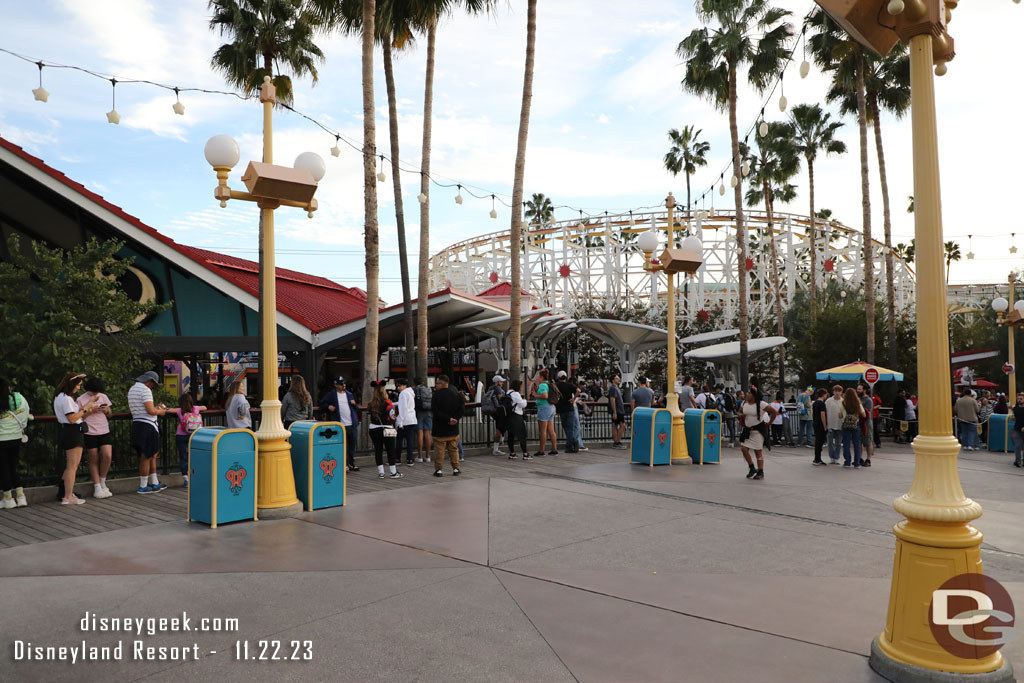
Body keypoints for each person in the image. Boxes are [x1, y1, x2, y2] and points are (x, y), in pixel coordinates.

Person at [55, 373, 101, 505]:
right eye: (78, 385)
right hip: (73, 431)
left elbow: (74, 413)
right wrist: (87, 408)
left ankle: (65, 493)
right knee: (72, 466)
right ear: (72, 385)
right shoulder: (66, 399)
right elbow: (73, 418)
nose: (79, 388)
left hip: (68, 431)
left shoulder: (60, 397)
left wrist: (88, 404)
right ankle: (68, 496)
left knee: (70, 466)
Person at [128, 370, 170, 495]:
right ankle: (143, 486)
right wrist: (161, 411)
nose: (153, 386)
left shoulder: (132, 389)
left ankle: (154, 482)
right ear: (149, 381)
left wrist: (156, 408)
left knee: (151, 455)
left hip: (137, 424)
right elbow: (151, 411)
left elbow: (143, 409)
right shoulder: (145, 390)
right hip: (148, 426)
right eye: (153, 384)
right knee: (146, 456)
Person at [78, 377, 114, 498]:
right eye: (94, 392)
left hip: (104, 429)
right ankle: (97, 486)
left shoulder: (103, 396)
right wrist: (91, 410)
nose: (96, 394)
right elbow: (79, 417)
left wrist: (106, 410)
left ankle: (103, 481)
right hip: (89, 431)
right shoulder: (81, 399)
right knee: (93, 459)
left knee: (107, 456)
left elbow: (110, 414)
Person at [0, 378, 32, 509]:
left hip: (1, 440)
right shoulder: (20, 398)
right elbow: (26, 414)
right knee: (13, 467)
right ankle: (21, 497)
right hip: (16, 438)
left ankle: (8, 499)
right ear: (9, 388)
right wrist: (20, 429)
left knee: (4, 469)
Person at [319, 376, 360, 472]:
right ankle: (344, 464)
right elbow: (322, 403)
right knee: (343, 446)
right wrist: (329, 406)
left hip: (351, 424)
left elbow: (356, 408)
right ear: (336, 385)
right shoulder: (332, 395)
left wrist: (354, 404)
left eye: (344, 384)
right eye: (341, 384)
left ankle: (351, 463)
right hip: (340, 425)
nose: (343, 386)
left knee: (352, 445)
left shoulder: (349, 394)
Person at [739, 386, 777, 480]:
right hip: (748, 430)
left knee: (758, 451)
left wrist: (769, 423)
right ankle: (752, 467)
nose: (747, 395)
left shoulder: (761, 404)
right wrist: (741, 416)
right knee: (744, 448)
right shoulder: (744, 403)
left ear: (754, 395)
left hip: (758, 431)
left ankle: (760, 471)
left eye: (749, 393)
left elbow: (774, 411)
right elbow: (740, 412)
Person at [368, 382, 403, 479]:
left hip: (374, 429)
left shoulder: (371, 404)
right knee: (390, 450)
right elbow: (392, 417)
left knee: (378, 450)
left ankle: (381, 473)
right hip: (387, 429)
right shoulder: (388, 403)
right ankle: (393, 472)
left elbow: (369, 414)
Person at [171, 392, 207, 489]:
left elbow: (169, 410)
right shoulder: (195, 409)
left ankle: (186, 479)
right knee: (194, 455)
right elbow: (205, 407)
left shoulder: (179, 411)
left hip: (181, 435)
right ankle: (195, 476)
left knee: (183, 457)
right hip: (194, 435)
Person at [430, 374, 464, 476]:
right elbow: (462, 409)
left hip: (440, 428)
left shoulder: (436, 395)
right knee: (454, 449)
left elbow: (435, 411)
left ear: (441, 383)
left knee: (439, 450)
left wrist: (447, 419)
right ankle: (456, 468)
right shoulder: (456, 394)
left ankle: (439, 470)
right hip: (453, 428)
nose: (436, 385)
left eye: (437, 383)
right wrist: (455, 419)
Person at [839, 387, 867, 468]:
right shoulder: (858, 403)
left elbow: (840, 416)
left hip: (846, 424)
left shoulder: (843, 403)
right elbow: (864, 414)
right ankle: (857, 463)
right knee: (857, 444)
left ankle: (847, 462)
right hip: (855, 424)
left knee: (846, 443)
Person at [533, 369, 558, 457]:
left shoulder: (543, 385)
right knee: (551, 430)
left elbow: (545, 396)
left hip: (544, 408)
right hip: (551, 407)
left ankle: (541, 450)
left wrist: (535, 395)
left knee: (542, 431)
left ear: (541, 377)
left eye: (538, 377)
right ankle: (554, 449)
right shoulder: (548, 384)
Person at [555, 371, 579, 453]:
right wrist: (574, 398)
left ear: (558, 377)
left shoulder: (556, 385)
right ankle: (573, 443)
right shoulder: (569, 385)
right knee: (570, 428)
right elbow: (578, 390)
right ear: (565, 377)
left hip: (561, 409)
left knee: (566, 427)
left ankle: (570, 445)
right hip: (570, 408)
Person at [483, 375, 508, 456]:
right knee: (500, 429)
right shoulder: (497, 388)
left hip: (493, 412)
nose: (502, 383)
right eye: (501, 381)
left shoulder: (490, 388)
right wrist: (503, 393)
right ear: (497, 382)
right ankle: (496, 448)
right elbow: (501, 399)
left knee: (499, 428)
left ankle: (497, 446)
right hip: (498, 411)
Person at [395, 378, 417, 466]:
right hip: (412, 419)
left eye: (399, 386)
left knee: (399, 440)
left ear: (404, 386)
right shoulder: (410, 393)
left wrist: (400, 422)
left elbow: (403, 408)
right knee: (410, 440)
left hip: (405, 420)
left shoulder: (403, 393)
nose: (398, 388)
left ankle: (397, 459)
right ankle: (410, 459)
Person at [507, 379, 530, 459]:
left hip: (509, 416)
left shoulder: (508, 393)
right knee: (521, 435)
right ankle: (525, 453)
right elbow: (522, 404)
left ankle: (512, 453)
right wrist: (525, 400)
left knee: (511, 435)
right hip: (517, 416)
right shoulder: (516, 394)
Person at [414, 377, 433, 463]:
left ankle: (420, 456)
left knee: (420, 434)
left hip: (419, 413)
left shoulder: (414, 389)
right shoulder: (428, 389)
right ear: (422, 381)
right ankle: (428, 456)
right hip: (429, 413)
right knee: (428, 434)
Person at [825, 385, 844, 464]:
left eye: (839, 391)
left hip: (839, 424)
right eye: (835, 391)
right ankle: (831, 457)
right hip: (830, 424)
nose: (837, 393)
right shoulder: (828, 401)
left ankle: (836, 457)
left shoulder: (843, 401)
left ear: (841, 392)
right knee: (829, 442)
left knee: (838, 443)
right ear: (833, 392)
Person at [856, 384, 875, 467]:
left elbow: (868, 412)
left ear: (864, 390)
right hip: (858, 422)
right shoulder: (857, 399)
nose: (858, 391)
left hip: (866, 423)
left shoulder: (868, 400)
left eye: (860, 389)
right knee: (859, 441)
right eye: (857, 389)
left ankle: (868, 459)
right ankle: (860, 458)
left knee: (868, 441)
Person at [607, 374, 626, 449]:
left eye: (618, 378)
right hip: (618, 410)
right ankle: (617, 442)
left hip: (618, 409)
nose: (618, 379)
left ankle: (616, 442)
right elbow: (612, 399)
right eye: (616, 378)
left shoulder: (616, 388)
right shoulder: (613, 388)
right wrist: (614, 411)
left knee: (615, 425)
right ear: (613, 380)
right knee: (622, 425)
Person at [812, 388, 828, 466]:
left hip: (815, 423)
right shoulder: (822, 404)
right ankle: (817, 459)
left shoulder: (815, 403)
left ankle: (817, 458)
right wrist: (825, 426)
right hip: (820, 424)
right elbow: (822, 415)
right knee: (820, 441)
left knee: (817, 441)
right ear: (824, 394)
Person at [1011, 391, 1024, 467]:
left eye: (1021, 398)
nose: (1019, 400)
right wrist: (1012, 417)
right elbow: (1014, 416)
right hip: (1017, 429)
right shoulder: (1015, 408)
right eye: (1018, 398)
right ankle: (1017, 461)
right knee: (1018, 446)